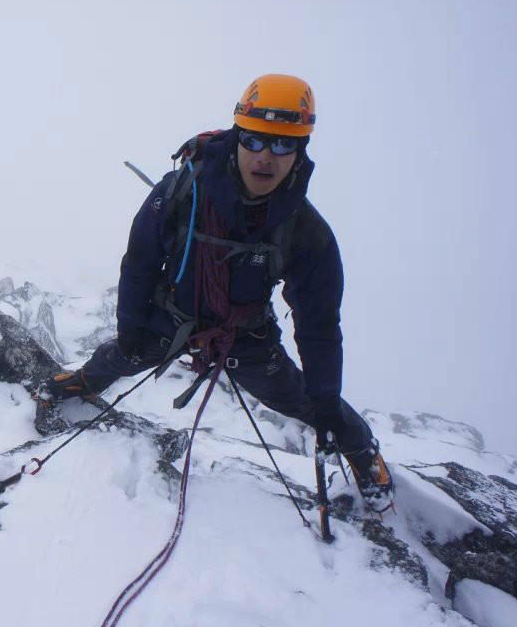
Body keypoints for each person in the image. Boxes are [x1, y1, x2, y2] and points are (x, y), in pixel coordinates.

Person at [40, 74, 393, 512]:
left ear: (300, 150)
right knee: (121, 356)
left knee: (309, 402)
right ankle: (79, 386)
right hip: (173, 315)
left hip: (242, 332)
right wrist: (132, 332)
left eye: (283, 144)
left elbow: (319, 324)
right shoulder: (181, 191)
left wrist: (325, 401)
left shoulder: (305, 232)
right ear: (238, 135)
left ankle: (361, 451)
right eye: (256, 140)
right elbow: (140, 262)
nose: (266, 156)